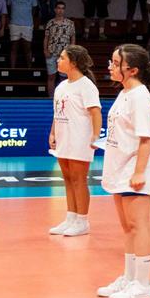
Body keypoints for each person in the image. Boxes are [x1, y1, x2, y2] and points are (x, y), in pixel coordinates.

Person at [97, 44, 150, 298]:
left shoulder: (140, 97)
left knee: (139, 225)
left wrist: (139, 172)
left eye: (116, 63)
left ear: (132, 69)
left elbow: (145, 138)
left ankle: (143, 284)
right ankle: (129, 277)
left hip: (136, 167)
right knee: (127, 228)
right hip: (120, 166)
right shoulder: (125, 92)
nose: (110, 67)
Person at [48, 45, 102, 237]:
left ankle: (82, 221)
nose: (58, 60)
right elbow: (57, 112)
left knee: (79, 180)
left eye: (62, 58)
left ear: (73, 63)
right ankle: (71, 218)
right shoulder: (61, 86)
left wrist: (95, 135)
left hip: (80, 139)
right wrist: (53, 133)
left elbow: (95, 112)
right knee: (68, 179)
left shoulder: (86, 86)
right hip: (64, 137)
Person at [44, 1, 76, 98]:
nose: (60, 10)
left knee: (64, 78)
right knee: (51, 76)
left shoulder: (70, 23)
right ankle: (51, 98)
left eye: (62, 8)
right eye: (58, 8)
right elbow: (46, 38)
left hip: (64, 54)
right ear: (55, 9)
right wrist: (45, 50)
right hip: (51, 52)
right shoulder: (50, 23)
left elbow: (73, 38)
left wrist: (71, 51)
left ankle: (63, 98)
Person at [6, 0, 37, 69]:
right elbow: (9, 9)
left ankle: (29, 69)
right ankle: (12, 69)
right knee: (14, 47)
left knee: (27, 48)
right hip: (14, 24)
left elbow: (34, 10)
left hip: (27, 25)